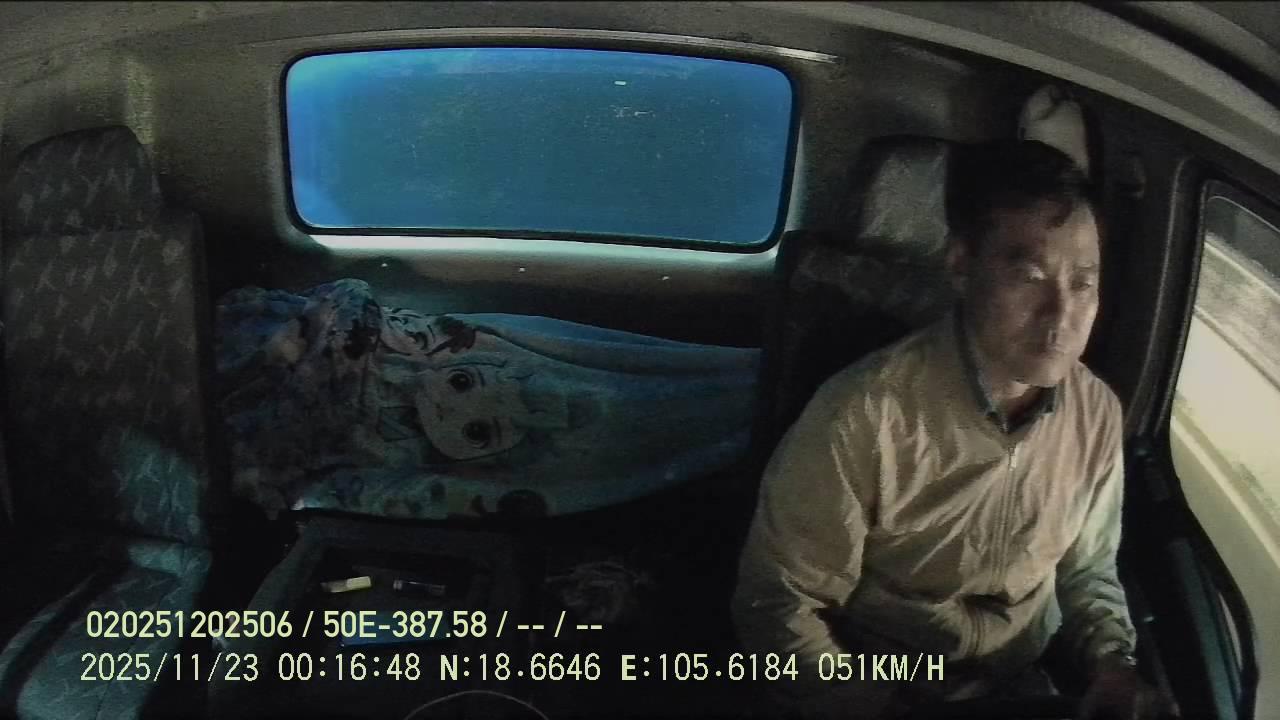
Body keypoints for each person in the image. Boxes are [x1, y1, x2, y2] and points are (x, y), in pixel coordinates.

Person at [733, 140, 1178, 719]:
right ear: (962, 266)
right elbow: (780, 605)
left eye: (1083, 283)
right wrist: (862, 700)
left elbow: (1087, 570)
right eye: (1030, 277)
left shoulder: (1095, 413)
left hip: (1017, 678)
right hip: (879, 678)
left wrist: (1112, 664)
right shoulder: (865, 413)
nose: (1061, 316)